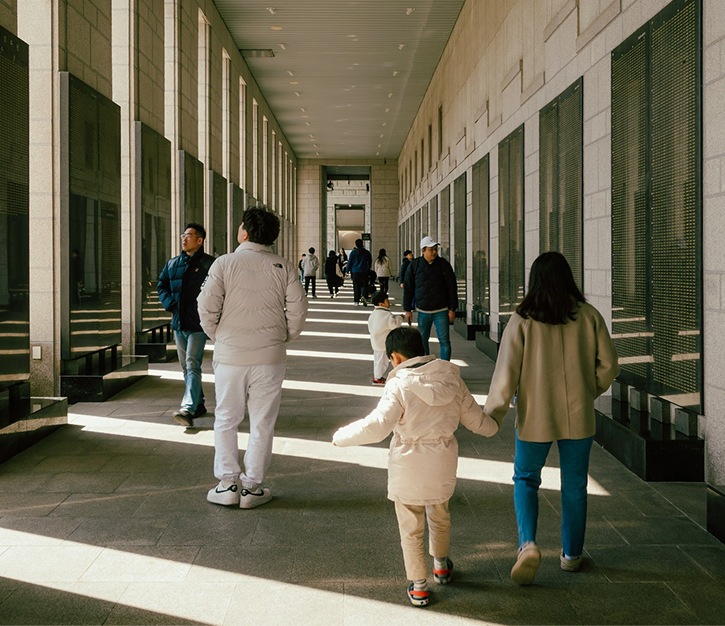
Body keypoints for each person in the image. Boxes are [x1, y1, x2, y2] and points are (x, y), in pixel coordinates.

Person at [332, 327, 498, 607]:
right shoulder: (452, 377)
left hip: (408, 465)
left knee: (410, 526)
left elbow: (377, 426)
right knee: (440, 515)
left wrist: (341, 437)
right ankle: (442, 566)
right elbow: (476, 421)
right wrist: (494, 425)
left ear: (396, 357)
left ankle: (419, 586)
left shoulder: (399, 385)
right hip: (442, 463)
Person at [483, 252, 619, 584]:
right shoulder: (588, 316)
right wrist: (588, 390)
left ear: (535, 281)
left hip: (536, 415)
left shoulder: (522, 320)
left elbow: (506, 374)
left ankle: (528, 544)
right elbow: (610, 365)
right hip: (578, 416)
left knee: (526, 479)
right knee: (575, 485)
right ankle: (572, 555)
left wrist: (492, 415)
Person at [198, 207, 307, 508]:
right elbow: (298, 312)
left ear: (244, 230)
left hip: (231, 355)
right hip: (270, 357)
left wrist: (218, 336)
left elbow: (206, 307)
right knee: (262, 422)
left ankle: (227, 484)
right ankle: (252, 487)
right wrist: (284, 336)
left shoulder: (224, 263)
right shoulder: (284, 267)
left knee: (226, 418)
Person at [158, 223, 217, 428]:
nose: (184, 239)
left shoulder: (210, 264)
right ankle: (199, 404)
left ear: (199, 240)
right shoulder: (173, 263)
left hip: (198, 324)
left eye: (189, 236)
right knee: (186, 367)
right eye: (183, 235)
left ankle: (188, 408)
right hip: (178, 323)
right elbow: (162, 285)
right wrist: (170, 305)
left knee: (192, 363)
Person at [403, 237, 458, 360]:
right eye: (431, 249)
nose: (434, 252)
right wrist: (407, 310)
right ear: (423, 250)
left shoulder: (443, 265)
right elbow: (408, 289)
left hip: (441, 310)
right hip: (423, 311)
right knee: (422, 341)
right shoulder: (414, 265)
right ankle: (426, 366)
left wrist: (452, 308)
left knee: (444, 341)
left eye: (435, 249)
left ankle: (445, 368)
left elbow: (452, 287)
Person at [366, 289, 403, 385]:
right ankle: (378, 378)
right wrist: (400, 318)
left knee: (378, 360)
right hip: (384, 343)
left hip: (376, 341)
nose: (389, 303)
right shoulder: (386, 315)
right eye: (387, 301)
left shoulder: (373, 314)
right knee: (383, 362)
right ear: (381, 304)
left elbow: (370, 326)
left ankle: (378, 376)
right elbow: (394, 325)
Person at [345, 238, 373, 305]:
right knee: (364, 285)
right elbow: (370, 261)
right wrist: (368, 268)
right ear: (362, 244)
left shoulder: (353, 252)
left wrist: (347, 270)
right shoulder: (367, 253)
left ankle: (356, 300)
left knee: (356, 286)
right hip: (364, 271)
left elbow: (350, 262)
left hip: (355, 272)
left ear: (356, 245)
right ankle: (364, 297)